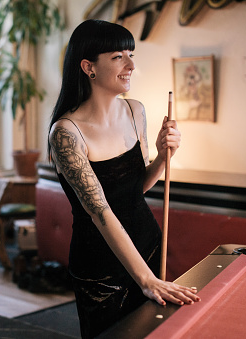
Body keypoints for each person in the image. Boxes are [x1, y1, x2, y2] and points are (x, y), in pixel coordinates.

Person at [48, 20, 200, 338]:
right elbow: (101, 211)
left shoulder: (135, 112)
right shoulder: (66, 133)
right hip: (102, 268)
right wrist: (146, 280)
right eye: (118, 56)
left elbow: (134, 190)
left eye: (130, 54)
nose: (131, 64)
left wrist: (163, 156)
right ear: (88, 67)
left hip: (147, 245)